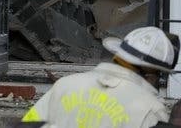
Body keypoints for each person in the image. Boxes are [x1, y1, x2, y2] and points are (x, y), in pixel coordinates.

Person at [19, 26, 179, 127]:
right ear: (151, 72)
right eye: (159, 75)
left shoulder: (65, 85)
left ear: (118, 56)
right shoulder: (150, 109)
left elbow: (29, 125)